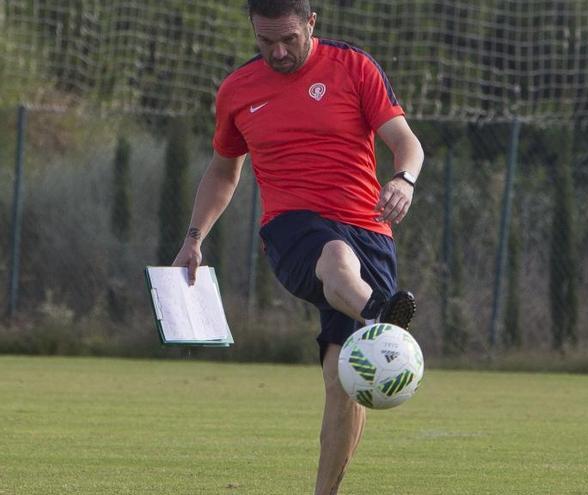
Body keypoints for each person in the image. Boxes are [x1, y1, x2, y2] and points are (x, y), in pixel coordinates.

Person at [171, 0, 424, 493]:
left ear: (312, 22)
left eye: (288, 38)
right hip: (292, 228)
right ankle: (379, 316)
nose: (278, 51)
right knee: (333, 257)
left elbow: (405, 140)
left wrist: (404, 180)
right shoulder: (238, 90)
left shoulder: (355, 66)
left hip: (369, 230)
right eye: (265, 42)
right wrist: (194, 238)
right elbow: (224, 171)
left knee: (343, 380)